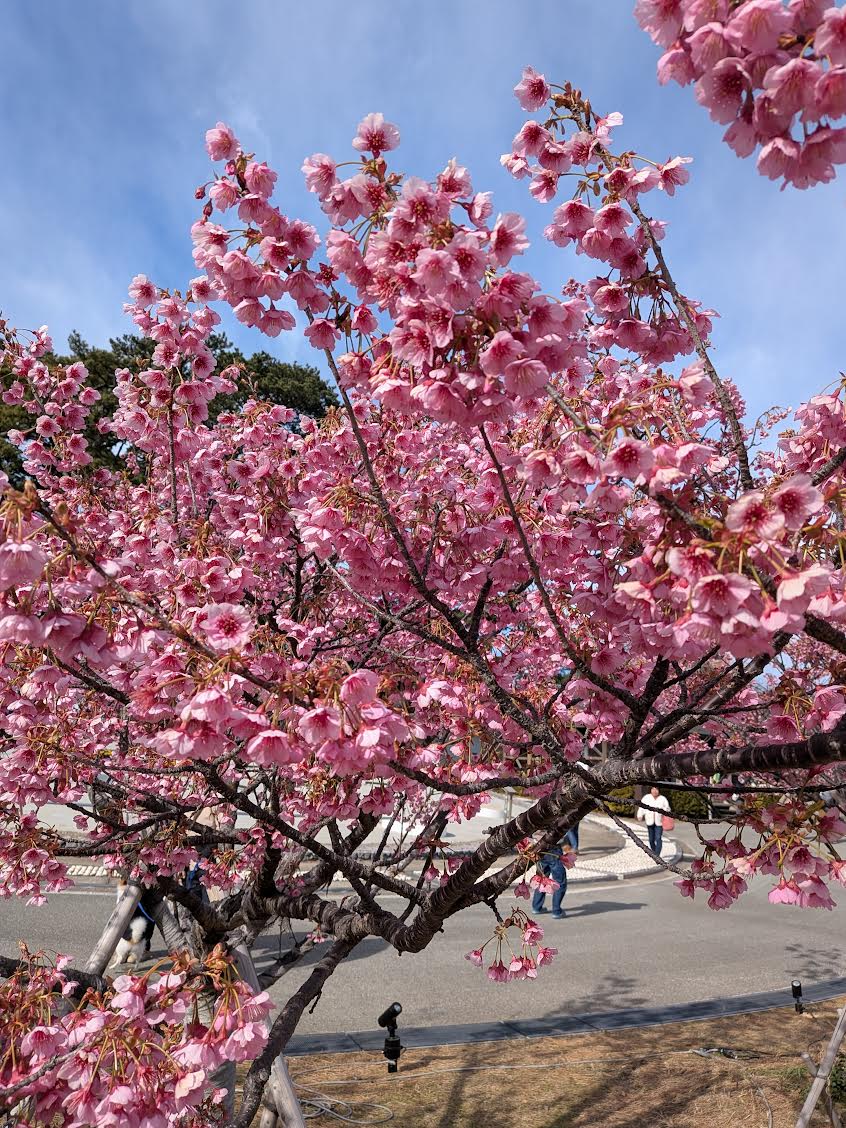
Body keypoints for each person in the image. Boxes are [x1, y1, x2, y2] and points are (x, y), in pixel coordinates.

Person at [531, 839, 572, 919]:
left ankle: (536, 907)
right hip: (553, 847)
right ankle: (556, 911)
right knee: (560, 881)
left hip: (539, 846)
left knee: (541, 879)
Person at [637, 786, 671, 855]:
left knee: (658, 838)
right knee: (651, 839)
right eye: (653, 789)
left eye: (656, 789)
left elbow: (668, 809)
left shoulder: (662, 798)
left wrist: (662, 810)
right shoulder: (646, 797)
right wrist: (640, 815)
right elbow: (642, 807)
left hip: (659, 822)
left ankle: (657, 855)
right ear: (651, 790)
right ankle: (654, 851)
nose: (655, 791)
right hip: (649, 821)